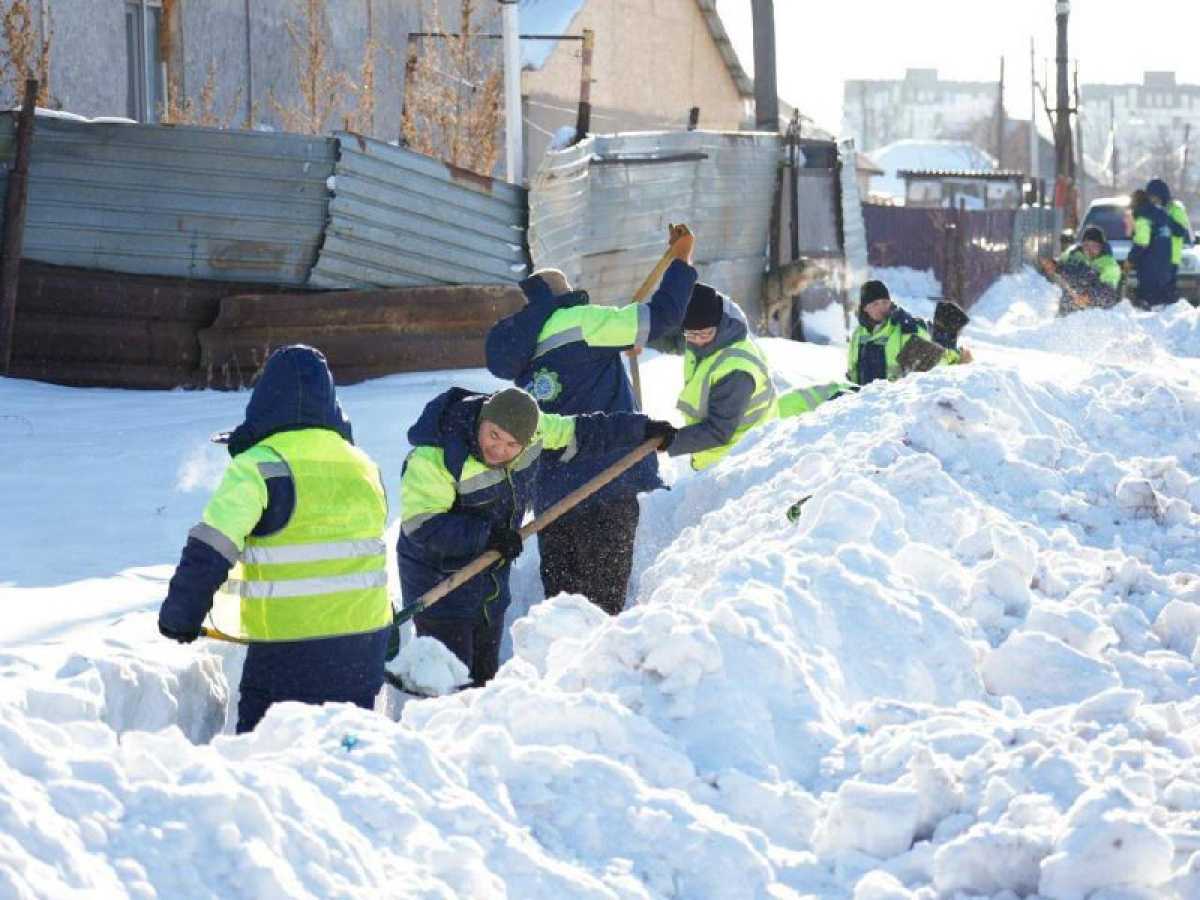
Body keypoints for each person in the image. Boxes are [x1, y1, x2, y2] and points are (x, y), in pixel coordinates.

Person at [157, 345, 393, 734]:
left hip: (290, 646)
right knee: (347, 752)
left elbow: (211, 547)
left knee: (267, 754)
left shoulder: (259, 466)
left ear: (265, 400)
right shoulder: (363, 465)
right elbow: (366, 552)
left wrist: (181, 615)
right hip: (364, 642)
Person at [484, 225, 696, 616]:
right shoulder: (583, 322)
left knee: (562, 616)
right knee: (602, 614)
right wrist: (682, 260)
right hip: (605, 484)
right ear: (565, 298)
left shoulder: (525, 349)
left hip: (551, 499)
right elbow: (663, 318)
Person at [397, 386, 673, 685]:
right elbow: (423, 525)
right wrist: (488, 536)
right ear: (482, 420)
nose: (499, 449)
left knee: (483, 676)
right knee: (448, 679)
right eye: (493, 435)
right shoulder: (435, 457)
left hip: (490, 579)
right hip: (439, 583)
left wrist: (641, 429)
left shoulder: (536, 431)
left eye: (512, 444)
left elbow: (582, 430)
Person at [662, 283, 779, 469]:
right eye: (691, 334)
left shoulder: (736, 370)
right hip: (716, 457)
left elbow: (718, 431)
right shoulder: (706, 342)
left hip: (739, 461)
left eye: (705, 333)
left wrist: (667, 441)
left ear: (720, 325)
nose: (698, 340)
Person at [847, 280, 971, 387]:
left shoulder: (903, 330)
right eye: (875, 304)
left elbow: (934, 362)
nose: (882, 307)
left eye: (885, 302)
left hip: (891, 403)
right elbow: (853, 371)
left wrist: (957, 358)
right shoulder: (858, 334)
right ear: (865, 308)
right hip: (863, 402)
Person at [1043, 225, 1121, 315]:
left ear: (1101, 247)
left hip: (1095, 311)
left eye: (1094, 246)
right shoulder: (1073, 253)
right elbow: (1061, 266)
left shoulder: (1109, 264)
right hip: (1068, 305)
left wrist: (1089, 296)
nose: (1089, 249)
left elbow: (1107, 290)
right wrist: (1053, 265)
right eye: (1086, 245)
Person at [1127, 188, 1180, 309]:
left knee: (1150, 301)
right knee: (1164, 301)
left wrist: (1130, 259)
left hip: (1150, 265)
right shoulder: (1161, 213)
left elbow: (1142, 242)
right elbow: (1178, 230)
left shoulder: (1142, 217)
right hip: (1166, 262)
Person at [1145, 178, 1192, 301]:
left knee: (1167, 293)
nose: (1153, 201)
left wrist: (1164, 216)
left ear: (1163, 196)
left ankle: (1169, 313)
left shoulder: (1175, 209)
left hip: (1170, 259)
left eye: (1155, 197)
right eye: (1150, 198)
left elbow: (1180, 231)